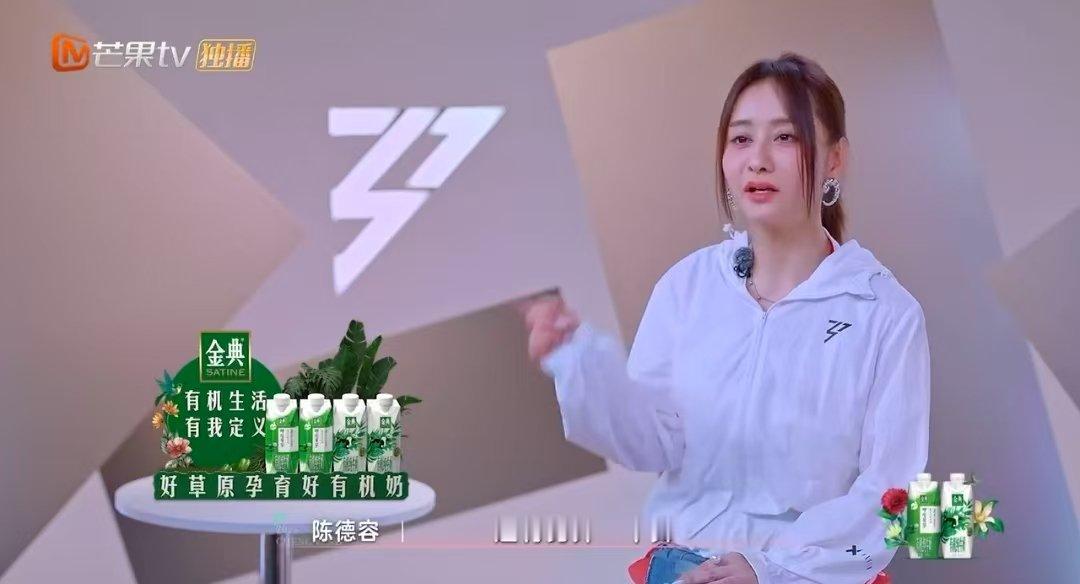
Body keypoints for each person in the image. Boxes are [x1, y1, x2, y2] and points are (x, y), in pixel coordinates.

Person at [520, 53, 931, 584]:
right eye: (740, 139)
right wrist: (577, 363)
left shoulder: (885, 312)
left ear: (834, 159)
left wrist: (769, 569)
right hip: (681, 568)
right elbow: (653, 442)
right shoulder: (688, 287)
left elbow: (893, 490)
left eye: (785, 137)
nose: (757, 160)